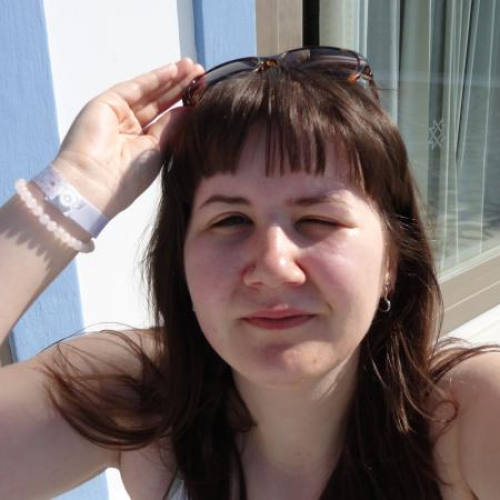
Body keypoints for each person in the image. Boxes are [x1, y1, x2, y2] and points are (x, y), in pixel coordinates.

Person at [0, 48, 499, 500]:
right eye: (231, 220)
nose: (273, 266)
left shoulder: (467, 416)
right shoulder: (144, 401)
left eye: (318, 220)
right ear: (180, 261)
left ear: (392, 261)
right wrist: (74, 190)